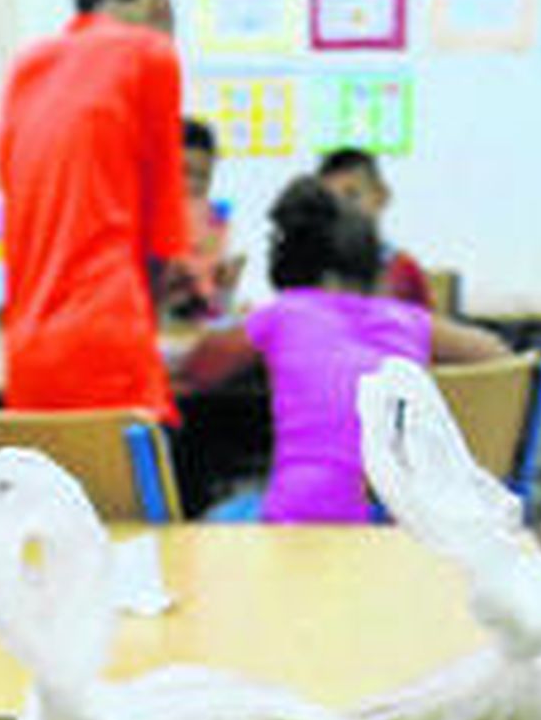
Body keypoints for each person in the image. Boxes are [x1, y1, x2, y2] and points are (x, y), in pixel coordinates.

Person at [179, 177, 506, 524]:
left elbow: (199, 368)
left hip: (301, 515)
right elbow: (497, 355)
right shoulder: (408, 320)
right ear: (375, 268)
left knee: (212, 518)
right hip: (402, 522)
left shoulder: (284, 313)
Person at [0, 0, 189, 420]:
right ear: (159, 6)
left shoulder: (27, 67)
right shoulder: (150, 54)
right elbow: (163, 238)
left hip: (26, 359)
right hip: (106, 349)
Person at [316, 147, 433, 309]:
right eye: (329, 201)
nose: (341, 208)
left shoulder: (403, 270)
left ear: (381, 196)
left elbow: (422, 329)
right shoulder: (316, 273)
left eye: (352, 195)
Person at [163, 118, 245, 325]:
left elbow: (217, 307)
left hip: (192, 329)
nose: (193, 185)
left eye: (203, 176)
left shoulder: (216, 220)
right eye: (184, 172)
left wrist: (226, 287)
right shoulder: (141, 219)